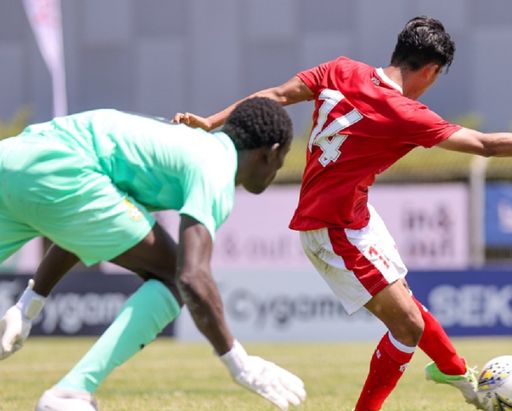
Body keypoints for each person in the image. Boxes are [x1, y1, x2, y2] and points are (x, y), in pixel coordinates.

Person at [175, 16, 512, 411]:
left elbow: (275, 97)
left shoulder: (340, 69)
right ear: (429, 70)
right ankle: (432, 383)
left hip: (355, 215)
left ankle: (456, 373)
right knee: (407, 325)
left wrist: (211, 122)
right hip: (332, 228)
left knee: (407, 307)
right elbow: (486, 145)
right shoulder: (406, 113)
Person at [0, 98, 306, 410]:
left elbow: (78, 226)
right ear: (272, 152)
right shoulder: (215, 168)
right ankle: (70, 394)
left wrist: (28, 306)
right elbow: (191, 277)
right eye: (282, 159)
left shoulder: (181, 143)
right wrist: (239, 362)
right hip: (65, 171)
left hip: (16, 155)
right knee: (171, 279)